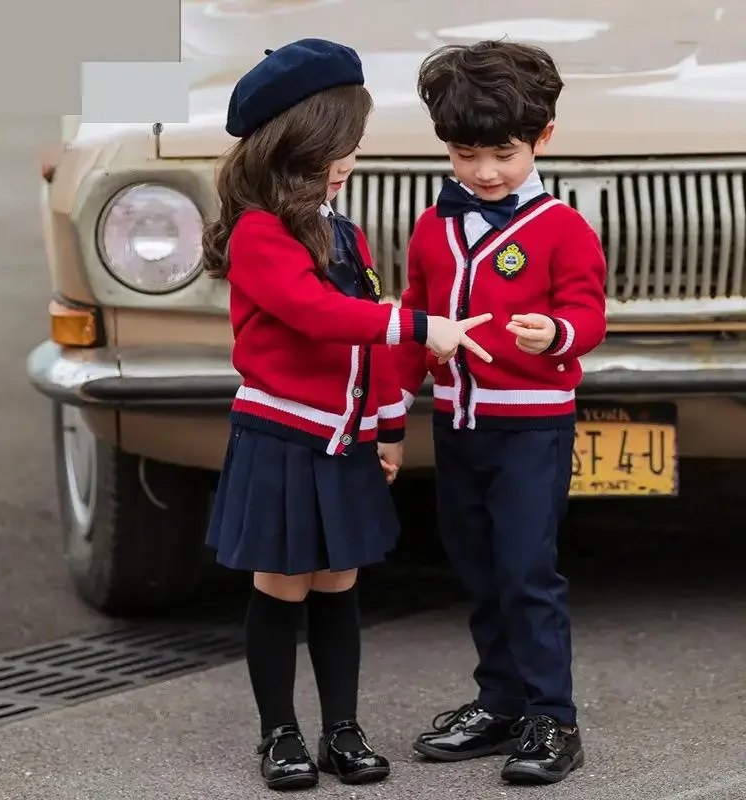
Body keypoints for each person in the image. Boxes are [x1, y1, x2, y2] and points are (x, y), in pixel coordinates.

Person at [201, 38, 493, 792]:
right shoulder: (261, 231)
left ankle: (342, 729)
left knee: (339, 587)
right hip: (283, 439)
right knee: (283, 586)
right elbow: (316, 315)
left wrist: (387, 423)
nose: (350, 159)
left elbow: (361, 344)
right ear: (299, 142)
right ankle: (279, 735)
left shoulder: (345, 230)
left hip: (344, 441)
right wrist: (415, 324)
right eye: (342, 145)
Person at [393, 40, 607, 785]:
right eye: (464, 154)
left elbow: (588, 312)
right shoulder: (432, 227)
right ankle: (501, 700)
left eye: (503, 154)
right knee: (476, 564)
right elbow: (415, 323)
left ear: (542, 140)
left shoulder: (562, 228)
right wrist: (392, 416)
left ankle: (555, 716)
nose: (484, 172)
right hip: (458, 425)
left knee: (526, 569)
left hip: (531, 429)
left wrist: (557, 334)